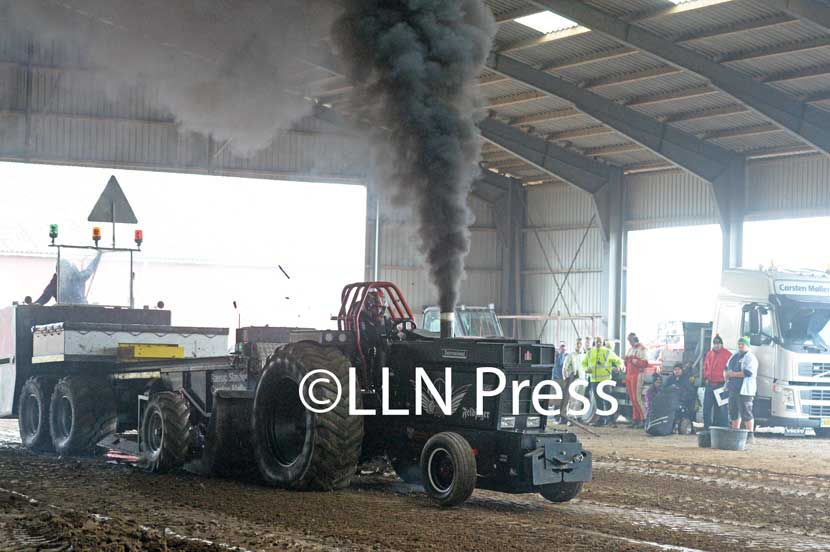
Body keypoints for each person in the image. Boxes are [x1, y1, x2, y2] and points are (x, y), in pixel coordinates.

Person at [582, 336, 623, 426]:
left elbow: (619, 361)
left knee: (607, 400)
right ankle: (601, 420)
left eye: (600, 342)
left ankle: (611, 420)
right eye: (597, 341)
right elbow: (583, 363)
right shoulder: (590, 353)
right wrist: (586, 369)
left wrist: (619, 367)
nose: (598, 343)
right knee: (598, 401)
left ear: (603, 342)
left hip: (605, 380)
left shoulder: (607, 352)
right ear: (594, 342)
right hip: (594, 380)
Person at [34, 253, 102, 305]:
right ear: (58, 270)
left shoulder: (78, 277)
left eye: (67, 269)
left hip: (81, 310)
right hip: (63, 311)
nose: (65, 272)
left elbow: (90, 269)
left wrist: (98, 255)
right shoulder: (55, 281)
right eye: (62, 269)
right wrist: (36, 304)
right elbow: (45, 296)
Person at [726, 336, 758, 439]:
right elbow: (726, 368)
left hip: (745, 390)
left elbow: (748, 373)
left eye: (742, 344)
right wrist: (727, 376)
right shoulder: (734, 356)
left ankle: (750, 434)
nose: (740, 346)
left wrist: (733, 374)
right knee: (733, 411)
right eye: (739, 344)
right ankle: (735, 433)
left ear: (747, 346)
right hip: (733, 388)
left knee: (746, 412)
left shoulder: (750, 357)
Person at [702, 335, 730, 429]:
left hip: (722, 385)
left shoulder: (727, 354)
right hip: (710, 384)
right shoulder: (709, 354)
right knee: (707, 409)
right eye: (715, 343)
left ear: (721, 344)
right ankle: (707, 428)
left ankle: (723, 428)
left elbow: (729, 369)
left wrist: (728, 383)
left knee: (722, 409)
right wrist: (706, 377)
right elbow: (706, 366)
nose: (716, 345)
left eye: (718, 343)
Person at [624, 332, 649, 428]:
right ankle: (636, 419)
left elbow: (645, 363)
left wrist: (635, 361)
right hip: (630, 375)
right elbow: (627, 363)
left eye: (630, 340)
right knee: (632, 399)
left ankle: (644, 419)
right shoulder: (630, 349)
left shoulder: (642, 349)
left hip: (637, 374)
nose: (629, 342)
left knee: (637, 398)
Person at [666, 362, 696, 434]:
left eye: (678, 369)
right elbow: (664, 389)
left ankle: (687, 426)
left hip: (684, 402)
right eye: (675, 369)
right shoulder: (670, 379)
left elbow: (691, 391)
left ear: (682, 370)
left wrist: (683, 397)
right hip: (671, 401)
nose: (677, 371)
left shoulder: (686, 379)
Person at [552, 342, 569, 424]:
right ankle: (557, 417)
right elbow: (559, 364)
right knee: (557, 399)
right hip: (557, 380)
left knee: (564, 399)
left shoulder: (566, 356)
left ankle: (562, 417)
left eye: (564, 346)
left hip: (563, 380)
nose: (563, 348)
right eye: (561, 346)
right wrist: (562, 353)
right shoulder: (557, 356)